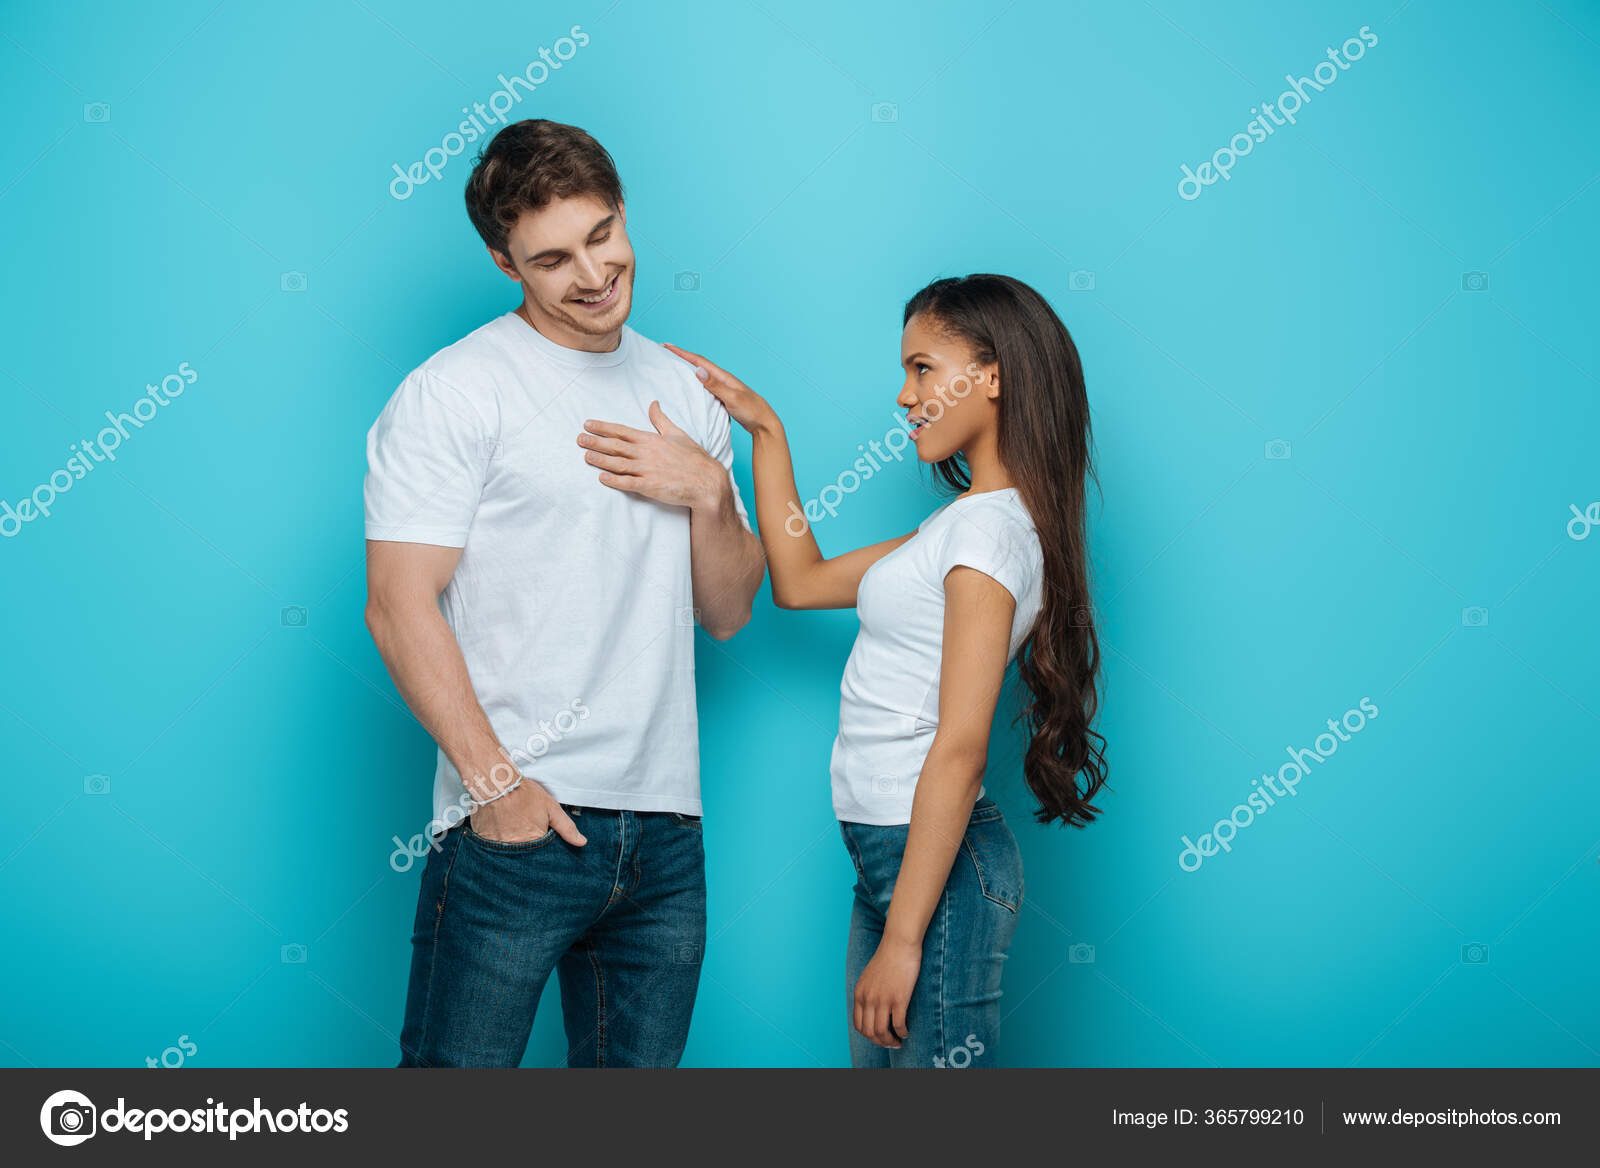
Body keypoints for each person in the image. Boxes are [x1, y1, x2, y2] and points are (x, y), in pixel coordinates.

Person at [363, 119, 765, 1067]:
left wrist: (709, 491)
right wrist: (495, 787)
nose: (591, 274)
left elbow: (730, 607)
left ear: (623, 214)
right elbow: (397, 602)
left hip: (666, 832)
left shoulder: (684, 388)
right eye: (551, 259)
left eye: (601, 236)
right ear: (507, 265)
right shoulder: (454, 392)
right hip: (515, 829)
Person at [663, 273, 1107, 1067]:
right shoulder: (961, 526)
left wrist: (904, 942)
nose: (904, 397)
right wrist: (768, 433)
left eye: (923, 368)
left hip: (935, 870)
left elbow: (961, 745)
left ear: (993, 374)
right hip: (892, 861)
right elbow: (799, 579)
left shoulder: (987, 543)